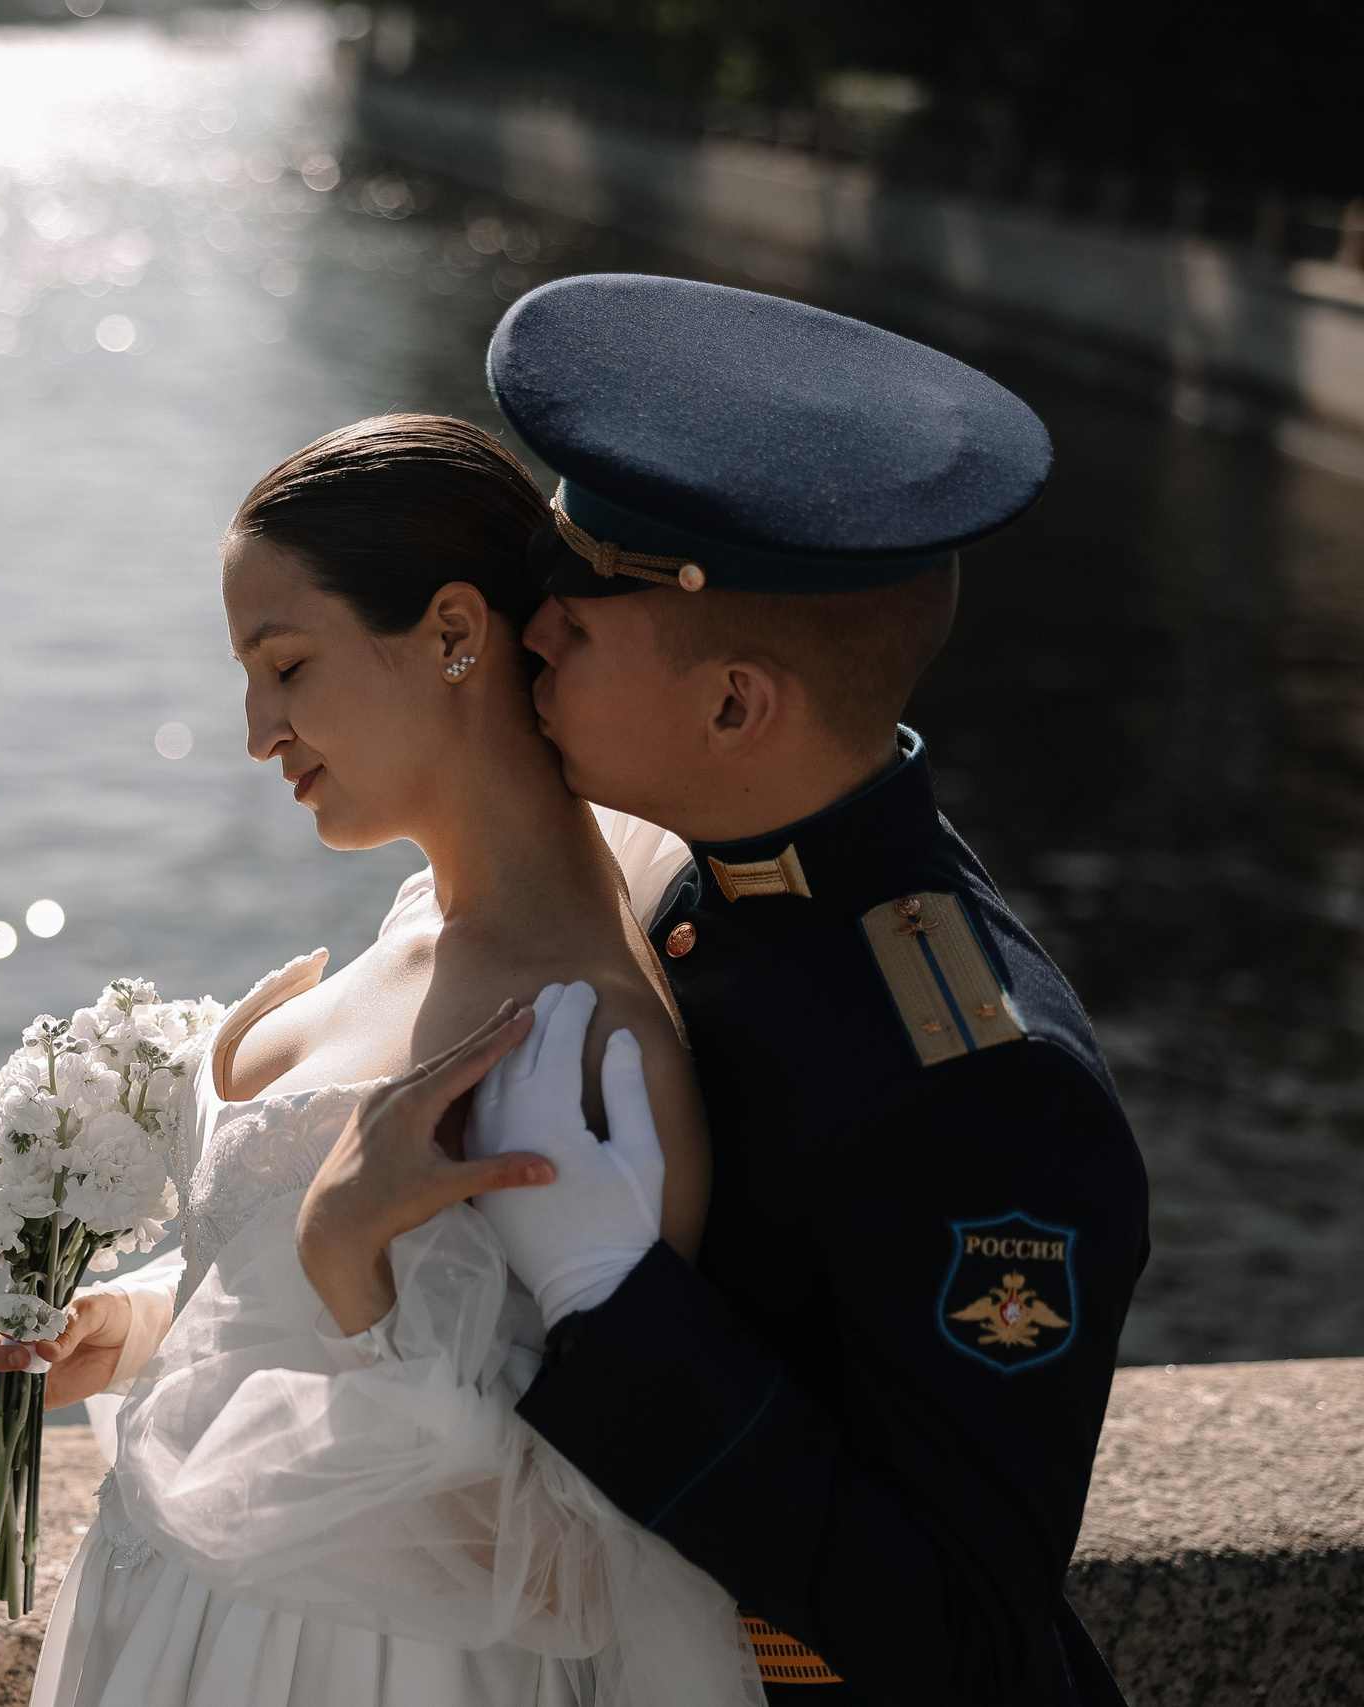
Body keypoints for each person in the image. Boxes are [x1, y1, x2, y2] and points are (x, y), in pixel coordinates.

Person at [298, 276, 1152, 1704]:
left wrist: (620, 1306)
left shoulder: (984, 1093)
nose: (533, 628)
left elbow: (956, 1634)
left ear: (736, 705)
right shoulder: (709, 884)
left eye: (583, 599)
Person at [0, 413, 768, 1705]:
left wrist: (347, 1265)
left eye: (285, 665)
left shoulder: (582, 1038)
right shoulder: (424, 923)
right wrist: (146, 1322)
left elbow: (575, 1564)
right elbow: (362, 1299)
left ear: (455, 633)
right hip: (189, 1632)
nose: (255, 729)